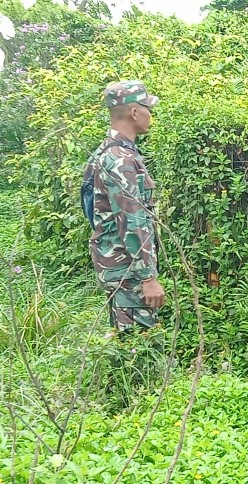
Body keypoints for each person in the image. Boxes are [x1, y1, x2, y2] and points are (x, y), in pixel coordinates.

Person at [88, 80, 166, 331]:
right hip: (127, 271)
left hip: (118, 266)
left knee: (126, 345)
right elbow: (132, 221)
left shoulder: (108, 151)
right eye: (147, 108)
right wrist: (148, 278)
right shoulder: (120, 159)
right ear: (134, 113)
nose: (150, 115)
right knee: (140, 349)